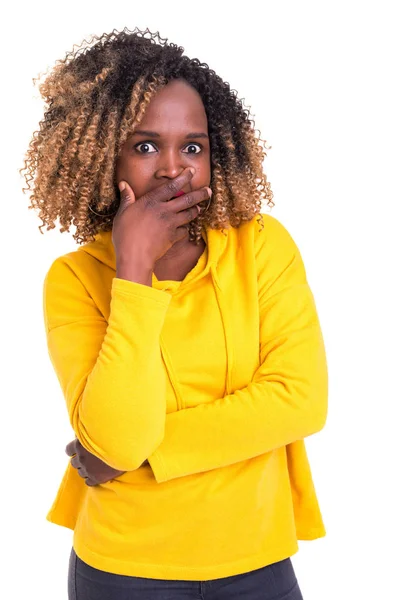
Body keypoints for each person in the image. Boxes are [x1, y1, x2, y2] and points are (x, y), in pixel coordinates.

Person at [22, 27, 328, 600]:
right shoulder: (74, 280)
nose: (171, 168)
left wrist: (141, 455)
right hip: (122, 572)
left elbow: (300, 400)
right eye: (144, 146)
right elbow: (114, 438)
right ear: (98, 153)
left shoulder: (260, 246)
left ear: (219, 153)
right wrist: (133, 271)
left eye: (193, 146)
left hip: (258, 564)